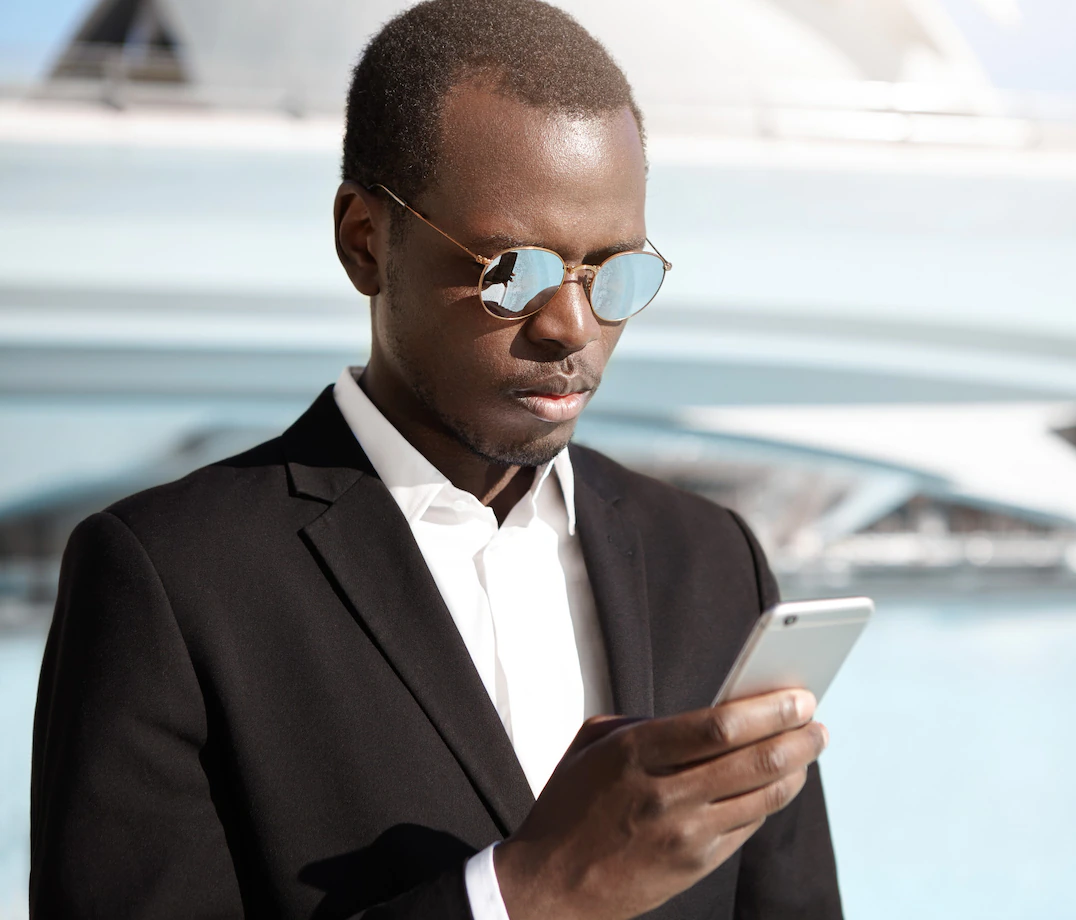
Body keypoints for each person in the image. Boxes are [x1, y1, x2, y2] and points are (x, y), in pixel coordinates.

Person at [29, 1, 844, 917]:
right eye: (513, 271)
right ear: (364, 242)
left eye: (613, 271)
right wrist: (522, 893)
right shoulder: (168, 582)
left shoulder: (714, 563)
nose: (572, 326)